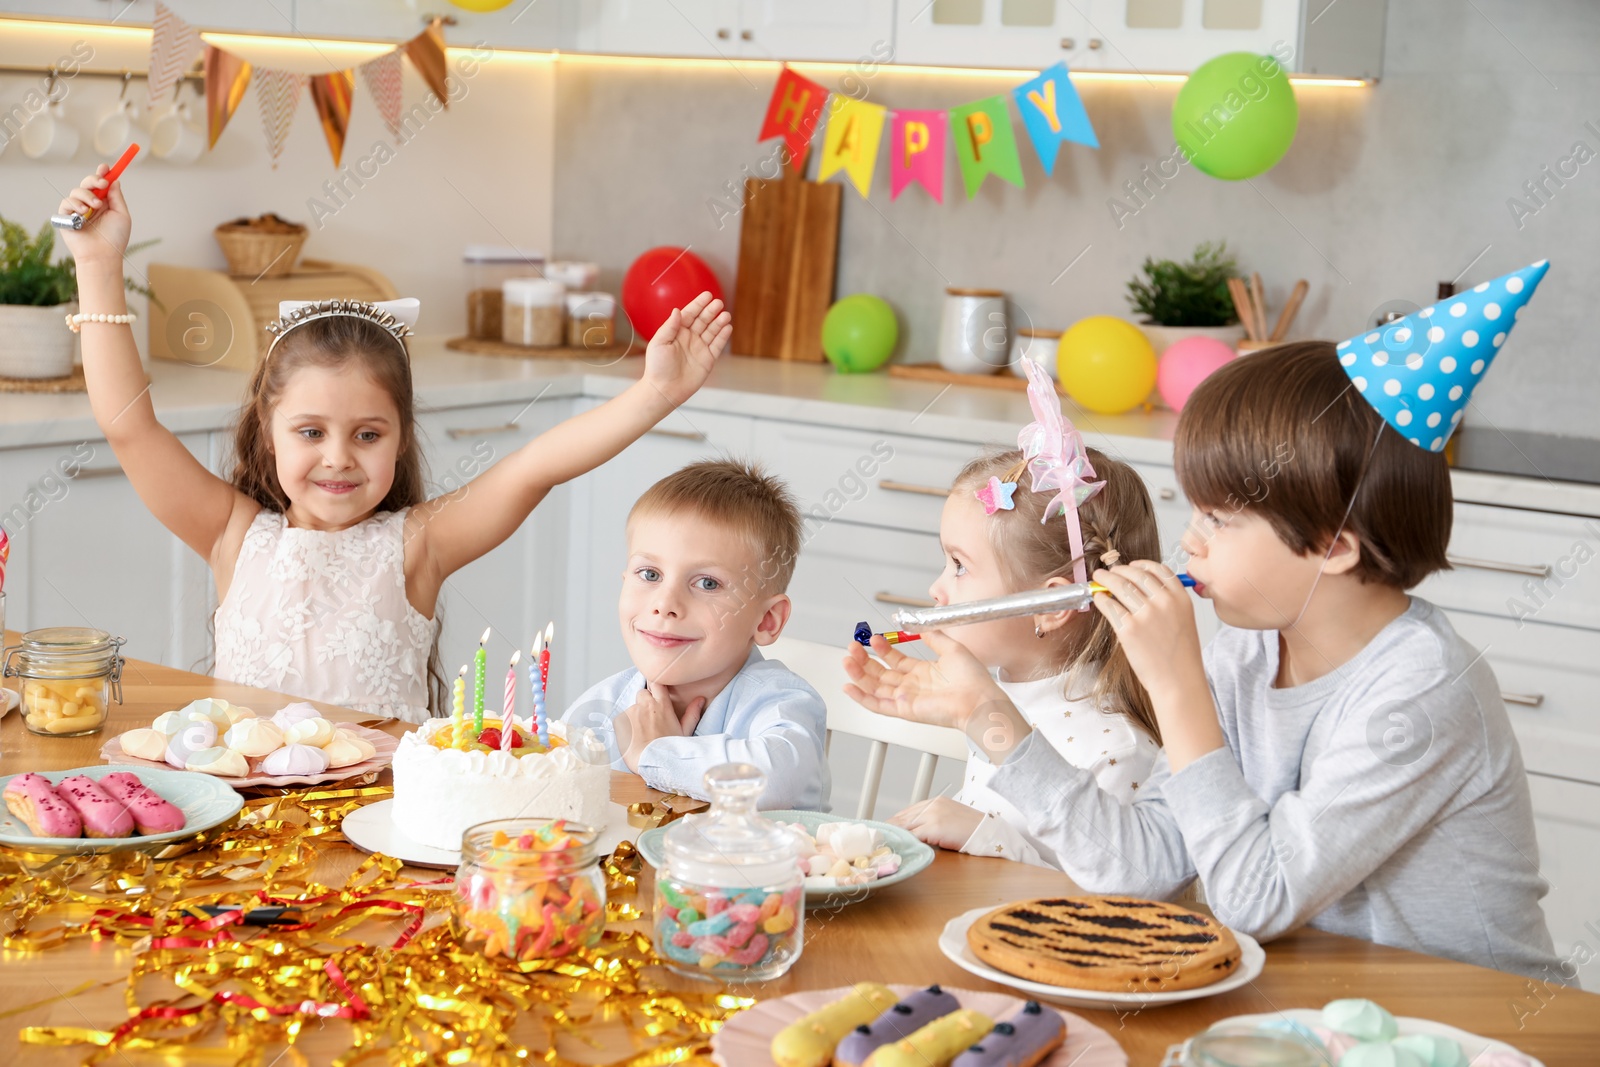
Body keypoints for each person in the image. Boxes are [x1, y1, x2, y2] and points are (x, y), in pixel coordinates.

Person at [847, 263, 1564, 981]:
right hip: (1325, 1005)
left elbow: (1256, 900)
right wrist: (988, 714)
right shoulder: (1248, 652)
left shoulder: (1419, 689)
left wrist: (1179, 686)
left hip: (1479, 1024)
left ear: (1333, 546)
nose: (1189, 541)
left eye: (1220, 517)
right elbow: (1138, 875)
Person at [58, 163, 730, 722]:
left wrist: (654, 394)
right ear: (268, 433)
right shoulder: (233, 535)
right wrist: (97, 260)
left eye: (368, 434)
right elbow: (130, 425)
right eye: (310, 431)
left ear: (400, 437)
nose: (339, 456)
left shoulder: (417, 547)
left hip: (380, 837)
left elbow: (534, 468)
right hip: (248, 838)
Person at [871, 366, 1162, 867]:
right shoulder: (1005, 690)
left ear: (1050, 608)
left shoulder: (1114, 749)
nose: (935, 591)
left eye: (960, 567)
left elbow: (1103, 896)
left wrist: (986, 836)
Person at [563, 460, 829, 810]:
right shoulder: (603, 706)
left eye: (707, 583)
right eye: (650, 574)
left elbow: (772, 782)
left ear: (766, 620)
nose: (665, 604)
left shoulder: (779, 702)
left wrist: (654, 753)